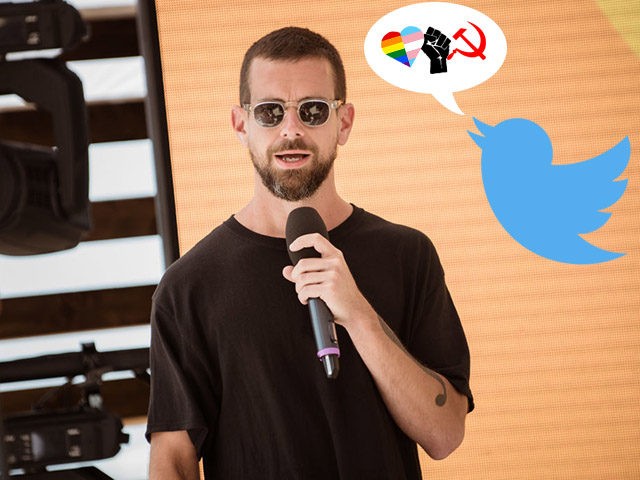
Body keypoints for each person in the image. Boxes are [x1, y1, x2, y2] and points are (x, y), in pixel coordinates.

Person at [146, 26, 474, 479]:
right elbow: (173, 461)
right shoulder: (189, 287)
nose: (291, 129)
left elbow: (445, 434)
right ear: (241, 125)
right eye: (269, 112)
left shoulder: (407, 254)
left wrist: (360, 317)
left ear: (344, 123)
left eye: (313, 110)